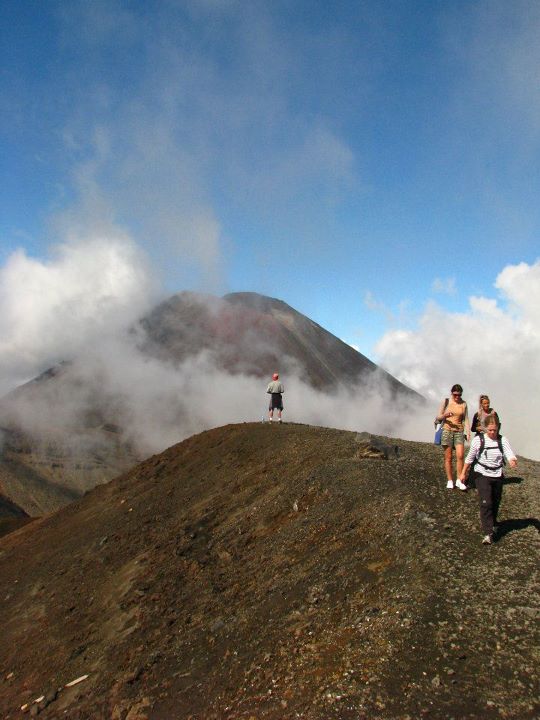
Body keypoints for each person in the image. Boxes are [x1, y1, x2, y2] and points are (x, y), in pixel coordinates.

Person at [458, 414, 517, 545]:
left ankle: (493, 523)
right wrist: (463, 473)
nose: (492, 432)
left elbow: (508, 452)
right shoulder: (479, 440)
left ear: (498, 428)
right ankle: (488, 533)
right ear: (485, 428)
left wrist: (512, 460)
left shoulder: (502, 440)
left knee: (495, 501)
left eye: (494, 430)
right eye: (489, 430)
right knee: (486, 502)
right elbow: (470, 458)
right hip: (481, 474)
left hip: (497, 474)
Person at [435, 384, 470, 490]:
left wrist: (468, 432)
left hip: (459, 431)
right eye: (455, 395)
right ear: (452, 393)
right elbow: (438, 416)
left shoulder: (463, 404)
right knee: (448, 457)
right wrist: (445, 415)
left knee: (460, 455)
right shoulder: (446, 402)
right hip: (447, 430)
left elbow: (466, 418)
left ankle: (459, 480)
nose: (457, 397)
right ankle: (450, 480)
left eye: (459, 395)